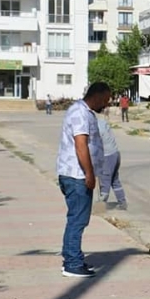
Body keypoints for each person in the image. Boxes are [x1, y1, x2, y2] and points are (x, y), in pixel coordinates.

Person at [56, 82, 112, 278]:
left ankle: (73, 257)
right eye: (105, 100)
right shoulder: (79, 113)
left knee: (77, 219)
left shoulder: (84, 111)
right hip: (77, 175)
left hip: (75, 174)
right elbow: (81, 145)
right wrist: (89, 174)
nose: (106, 104)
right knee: (77, 220)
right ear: (96, 96)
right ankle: (72, 263)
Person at [97, 114, 127, 210]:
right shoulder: (102, 122)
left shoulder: (95, 127)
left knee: (105, 180)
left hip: (107, 155)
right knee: (114, 179)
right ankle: (122, 202)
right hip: (115, 153)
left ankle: (101, 205)